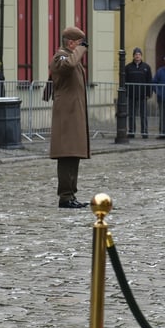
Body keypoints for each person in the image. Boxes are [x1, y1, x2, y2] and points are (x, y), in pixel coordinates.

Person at [49, 26, 91, 209]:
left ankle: (71, 194)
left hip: (73, 112)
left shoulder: (70, 56)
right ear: (71, 43)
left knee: (74, 155)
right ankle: (65, 196)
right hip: (66, 114)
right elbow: (68, 66)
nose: (82, 47)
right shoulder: (61, 56)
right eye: (79, 43)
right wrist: (81, 49)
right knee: (66, 155)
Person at [125, 47, 153, 139]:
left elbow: (149, 81)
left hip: (143, 95)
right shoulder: (128, 67)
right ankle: (131, 131)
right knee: (131, 114)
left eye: (139, 54)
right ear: (133, 56)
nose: (137, 56)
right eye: (136, 54)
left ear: (141, 56)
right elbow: (125, 81)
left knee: (143, 115)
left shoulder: (146, 67)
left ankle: (144, 131)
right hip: (131, 94)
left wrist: (149, 93)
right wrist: (125, 93)